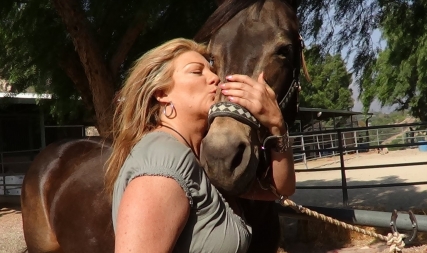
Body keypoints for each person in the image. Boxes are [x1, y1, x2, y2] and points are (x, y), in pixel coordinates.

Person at [105, 38, 296, 253]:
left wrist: (277, 125)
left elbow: (280, 189)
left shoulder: (198, 155)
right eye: (197, 72)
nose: (215, 78)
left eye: (212, 70)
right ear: (162, 93)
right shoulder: (163, 163)